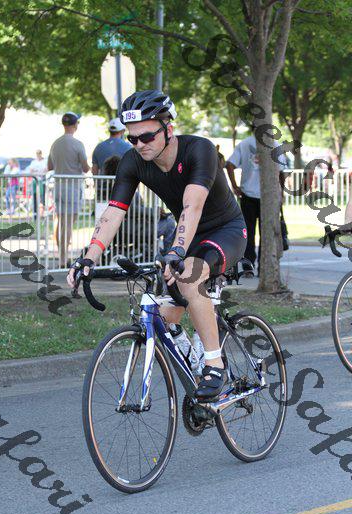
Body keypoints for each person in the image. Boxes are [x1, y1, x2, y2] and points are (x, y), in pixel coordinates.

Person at [68, 90, 247, 400]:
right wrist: (89, 257)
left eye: (147, 136)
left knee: (189, 275)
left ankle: (214, 363)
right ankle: (193, 359)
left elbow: (192, 206)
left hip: (225, 231)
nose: (139, 144)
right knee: (162, 316)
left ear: (169, 129)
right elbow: (114, 212)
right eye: (132, 138)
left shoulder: (199, 150)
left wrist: (176, 251)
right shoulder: (133, 161)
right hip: (187, 236)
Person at [226, 128, 287, 275]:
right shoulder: (275, 145)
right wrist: (281, 192)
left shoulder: (244, 144)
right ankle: (263, 267)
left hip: (248, 195)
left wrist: (235, 186)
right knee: (267, 233)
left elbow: (229, 164)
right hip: (269, 197)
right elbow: (281, 172)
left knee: (248, 232)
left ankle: (248, 267)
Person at [48, 112, 90, 268]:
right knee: (68, 224)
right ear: (75, 125)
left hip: (58, 186)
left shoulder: (55, 143)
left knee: (61, 221)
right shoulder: (77, 144)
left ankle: (61, 255)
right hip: (72, 187)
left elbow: (49, 166)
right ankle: (63, 258)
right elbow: (85, 168)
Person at [29, 149, 47, 219]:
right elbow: (31, 170)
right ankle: (35, 214)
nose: (38, 155)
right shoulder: (33, 162)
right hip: (35, 181)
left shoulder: (45, 161)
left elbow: (45, 170)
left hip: (42, 181)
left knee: (42, 198)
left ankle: (42, 214)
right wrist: (38, 172)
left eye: (39, 153)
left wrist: (37, 171)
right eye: (37, 154)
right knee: (34, 198)